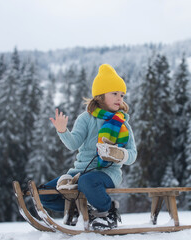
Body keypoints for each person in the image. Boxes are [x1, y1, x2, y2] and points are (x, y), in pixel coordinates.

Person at [40, 63, 137, 230]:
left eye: (122, 95)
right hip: (79, 172)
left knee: (87, 182)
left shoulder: (123, 124)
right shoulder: (86, 118)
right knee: (45, 193)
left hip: (107, 173)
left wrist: (119, 154)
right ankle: (78, 209)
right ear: (100, 95)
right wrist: (63, 130)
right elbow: (73, 144)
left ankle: (107, 211)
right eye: (114, 93)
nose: (120, 98)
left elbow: (132, 154)